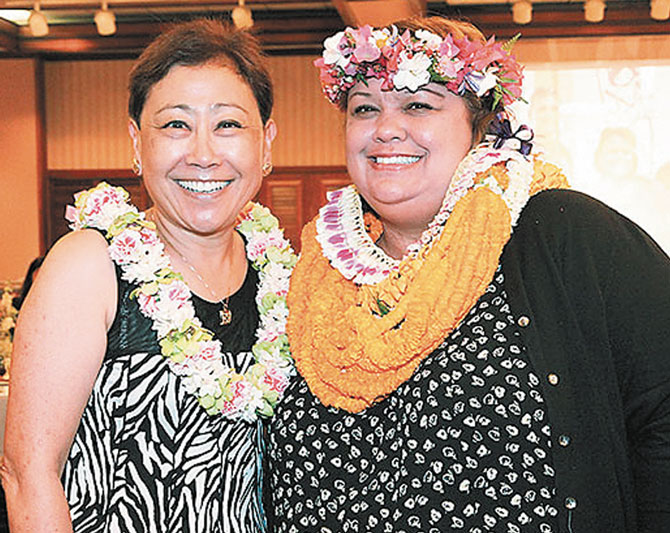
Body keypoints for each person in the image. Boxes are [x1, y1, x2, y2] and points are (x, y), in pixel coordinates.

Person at [268, 16, 670, 533]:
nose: (386, 128)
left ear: (479, 127)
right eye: (364, 108)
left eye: (418, 104)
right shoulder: (313, 276)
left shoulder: (563, 236)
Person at [1, 19, 296, 532]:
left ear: (266, 144)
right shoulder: (90, 266)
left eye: (227, 125)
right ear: (137, 144)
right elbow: (28, 474)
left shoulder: (280, 275)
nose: (203, 154)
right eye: (175, 125)